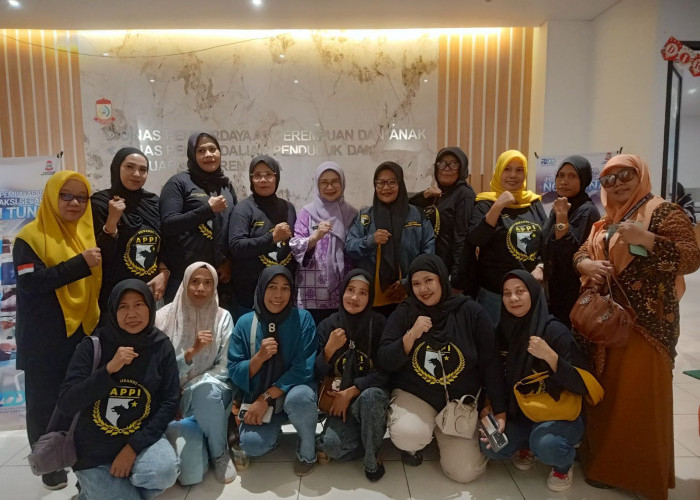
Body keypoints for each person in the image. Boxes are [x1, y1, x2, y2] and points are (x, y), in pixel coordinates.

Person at [574, 154, 700, 500]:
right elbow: (582, 251)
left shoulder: (663, 212)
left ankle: (643, 478)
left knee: (641, 401)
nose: (617, 184)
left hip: (647, 328)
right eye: (609, 179)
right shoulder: (605, 221)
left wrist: (646, 239)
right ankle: (604, 469)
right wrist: (586, 264)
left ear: (641, 174)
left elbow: (691, 257)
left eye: (625, 175)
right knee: (608, 399)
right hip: (605, 326)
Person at [377, 254, 507, 483]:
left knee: (466, 472)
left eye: (429, 280)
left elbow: (491, 362)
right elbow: (385, 358)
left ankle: (441, 432)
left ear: (441, 279)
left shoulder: (471, 312)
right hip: (417, 394)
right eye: (416, 283)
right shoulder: (406, 311)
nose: (423, 289)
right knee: (408, 435)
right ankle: (423, 434)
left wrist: (499, 409)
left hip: (458, 401)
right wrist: (411, 334)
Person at [13, 170, 102, 490]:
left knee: (77, 401)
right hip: (43, 339)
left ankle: (80, 459)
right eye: (66, 196)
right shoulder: (30, 237)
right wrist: (80, 263)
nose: (75, 203)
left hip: (79, 333)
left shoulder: (85, 234)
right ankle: (48, 466)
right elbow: (30, 282)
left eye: (81, 197)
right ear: (52, 197)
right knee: (44, 406)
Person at [56, 280, 180, 500]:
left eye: (139, 304)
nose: (132, 314)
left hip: (140, 439)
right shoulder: (93, 345)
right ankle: (92, 489)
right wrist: (109, 370)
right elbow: (67, 402)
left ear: (150, 306)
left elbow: (170, 401)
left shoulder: (160, 346)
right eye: (123, 306)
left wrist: (133, 448)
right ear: (113, 310)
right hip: (94, 450)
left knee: (165, 472)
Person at [481, 270, 591, 492]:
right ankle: (527, 445)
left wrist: (551, 357)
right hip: (521, 412)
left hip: (558, 414)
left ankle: (563, 465)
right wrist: (495, 411)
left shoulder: (555, 331)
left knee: (547, 444)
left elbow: (582, 384)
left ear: (533, 293)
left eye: (520, 291)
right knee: (491, 447)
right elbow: (494, 376)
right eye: (507, 293)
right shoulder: (502, 331)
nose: (513, 298)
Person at [227, 266, 318, 476]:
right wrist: (259, 357)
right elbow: (234, 369)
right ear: (261, 289)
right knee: (251, 444)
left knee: (300, 397)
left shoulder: (302, 319)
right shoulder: (246, 323)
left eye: (285, 288)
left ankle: (308, 448)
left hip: (291, 393)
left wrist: (265, 397)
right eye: (272, 287)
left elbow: (303, 369)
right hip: (260, 399)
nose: (278, 295)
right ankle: (273, 434)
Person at [156, 262, 236, 485]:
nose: (201, 288)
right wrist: (190, 354)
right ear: (184, 283)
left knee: (206, 392)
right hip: (171, 399)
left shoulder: (222, 317)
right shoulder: (162, 318)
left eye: (207, 283)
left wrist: (190, 386)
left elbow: (225, 367)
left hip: (209, 396)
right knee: (189, 477)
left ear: (214, 286)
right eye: (195, 282)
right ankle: (200, 438)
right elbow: (157, 368)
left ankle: (219, 452)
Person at [315, 269, 389, 481]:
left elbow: (386, 371)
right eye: (350, 290)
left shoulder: (379, 324)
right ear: (342, 292)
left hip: (369, 397)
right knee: (331, 446)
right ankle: (368, 438)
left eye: (363, 293)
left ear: (370, 297)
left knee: (371, 397)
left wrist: (351, 391)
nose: (354, 298)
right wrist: (328, 351)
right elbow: (314, 372)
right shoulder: (328, 325)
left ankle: (372, 459)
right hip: (338, 403)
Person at [346, 162, 435, 317]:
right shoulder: (365, 216)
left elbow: (428, 254)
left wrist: (408, 282)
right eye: (380, 183)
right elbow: (349, 247)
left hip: (411, 294)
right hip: (372, 297)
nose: (386, 188)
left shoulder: (417, 215)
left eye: (392, 182)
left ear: (400, 183)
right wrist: (370, 241)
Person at [469, 150, 546, 325]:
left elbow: (545, 240)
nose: (513, 175)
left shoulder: (533, 202)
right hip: (495, 294)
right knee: (493, 340)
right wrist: (498, 206)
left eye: (519, 170)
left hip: (528, 291)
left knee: (530, 338)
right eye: (507, 169)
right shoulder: (484, 203)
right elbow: (476, 239)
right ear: (498, 172)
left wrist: (541, 266)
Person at [160, 132, 236, 304]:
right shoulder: (178, 183)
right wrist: (207, 210)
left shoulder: (226, 186)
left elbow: (233, 229)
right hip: (184, 278)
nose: (208, 155)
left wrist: (229, 262)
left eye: (212, 149)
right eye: (201, 151)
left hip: (219, 278)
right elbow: (168, 225)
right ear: (192, 155)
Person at [92, 147, 169, 309]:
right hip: (114, 294)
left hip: (150, 292)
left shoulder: (154, 202)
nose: (136, 174)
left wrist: (164, 272)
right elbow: (99, 256)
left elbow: (165, 244)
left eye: (143, 169)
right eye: (129, 167)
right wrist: (111, 222)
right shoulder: (100, 203)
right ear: (116, 168)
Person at [229, 155, 297, 320]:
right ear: (251, 179)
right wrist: (271, 238)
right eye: (257, 175)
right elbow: (236, 246)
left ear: (276, 177)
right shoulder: (243, 209)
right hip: (249, 296)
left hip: (283, 295)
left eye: (268, 174)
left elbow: (295, 245)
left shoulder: (288, 208)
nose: (263, 180)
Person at [290, 161, 357, 325]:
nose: (330, 187)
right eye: (324, 182)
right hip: (311, 294)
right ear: (317, 184)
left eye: (335, 181)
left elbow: (357, 248)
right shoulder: (307, 213)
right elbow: (296, 246)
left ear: (342, 183)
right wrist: (315, 237)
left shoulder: (352, 214)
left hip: (344, 293)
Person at [540, 156, 600, 327]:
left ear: (584, 179)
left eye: (572, 176)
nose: (564, 181)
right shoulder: (560, 207)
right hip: (553, 289)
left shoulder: (587, 210)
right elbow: (547, 243)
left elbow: (570, 253)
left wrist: (562, 217)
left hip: (573, 293)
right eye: (560, 175)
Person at [409, 147, 476, 293]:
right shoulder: (438, 194)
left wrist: (456, 281)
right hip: (434, 269)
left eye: (453, 164)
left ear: (462, 168)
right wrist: (425, 195)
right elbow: (406, 207)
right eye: (442, 163)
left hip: (451, 274)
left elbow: (462, 239)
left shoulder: (464, 194)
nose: (446, 168)